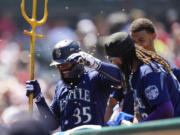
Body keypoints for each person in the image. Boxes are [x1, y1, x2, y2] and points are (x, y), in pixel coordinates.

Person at [25, 40, 122, 131]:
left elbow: (119, 78)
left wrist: (94, 63)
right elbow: (52, 125)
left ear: (79, 61)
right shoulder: (60, 85)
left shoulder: (95, 76)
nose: (62, 69)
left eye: (65, 65)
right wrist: (39, 98)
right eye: (59, 65)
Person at [104, 31, 180, 122]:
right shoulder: (135, 73)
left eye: (110, 59)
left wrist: (138, 128)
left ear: (119, 59)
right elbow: (139, 113)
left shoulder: (148, 73)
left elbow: (166, 110)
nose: (111, 64)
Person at [129, 18, 180, 82]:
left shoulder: (167, 68)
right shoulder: (131, 69)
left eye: (141, 40)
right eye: (134, 42)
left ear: (154, 36)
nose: (137, 45)